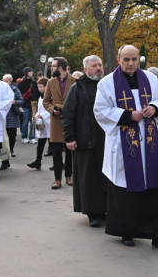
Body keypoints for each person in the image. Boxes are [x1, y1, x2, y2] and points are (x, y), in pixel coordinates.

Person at [94, 45, 158, 248]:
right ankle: (127, 231)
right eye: (126, 60)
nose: (131, 63)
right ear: (118, 60)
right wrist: (126, 115)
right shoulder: (107, 84)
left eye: (134, 59)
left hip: (150, 141)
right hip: (124, 142)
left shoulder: (150, 79)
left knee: (154, 186)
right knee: (126, 187)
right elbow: (100, 110)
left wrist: (154, 107)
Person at [61, 55, 107, 227]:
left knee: (106, 176)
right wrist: (70, 138)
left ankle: (107, 209)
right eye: (94, 66)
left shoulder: (107, 86)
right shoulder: (77, 88)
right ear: (86, 70)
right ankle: (93, 212)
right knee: (89, 178)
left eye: (100, 65)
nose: (98, 68)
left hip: (107, 140)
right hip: (85, 140)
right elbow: (67, 115)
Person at [43, 57, 75, 189]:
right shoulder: (51, 82)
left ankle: (68, 176)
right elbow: (46, 101)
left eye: (53, 66)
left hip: (70, 121)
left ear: (60, 68)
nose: (51, 68)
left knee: (69, 151)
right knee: (56, 151)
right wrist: (52, 109)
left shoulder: (74, 81)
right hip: (56, 121)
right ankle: (57, 179)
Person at [27, 78, 51, 170]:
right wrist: (36, 116)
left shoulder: (51, 96)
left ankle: (60, 163)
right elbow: (40, 109)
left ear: (46, 86)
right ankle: (38, 161)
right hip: (42, 124)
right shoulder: (41, 96)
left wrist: (43, 116)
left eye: (40, 86)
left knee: (53, 145)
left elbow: (51, 109)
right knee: (40, 144)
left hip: (49, 123)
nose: (38, 88)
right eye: (38, 86)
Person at [2, 73, 24, 162]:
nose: (5, 83)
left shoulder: (15, 89)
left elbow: (21, 100)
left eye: (6, 81)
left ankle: (11, 150)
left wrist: (15, 101)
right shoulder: (0, 90)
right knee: (4, 136)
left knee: (12, 135)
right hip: (3, 116)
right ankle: (6, 152)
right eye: (3, 81)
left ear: (10, 82)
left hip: (12, 115)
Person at [17, 68, 37, 143]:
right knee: (25, 122)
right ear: (26, 73)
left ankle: (32, 137)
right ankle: (24, 136)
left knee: (33, 122)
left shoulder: (34, 82)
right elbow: (18, 94)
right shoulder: (21, 83)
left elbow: (37, 93)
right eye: (30, 71)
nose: (32, 72)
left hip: (34, 105)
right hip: (25, 105)